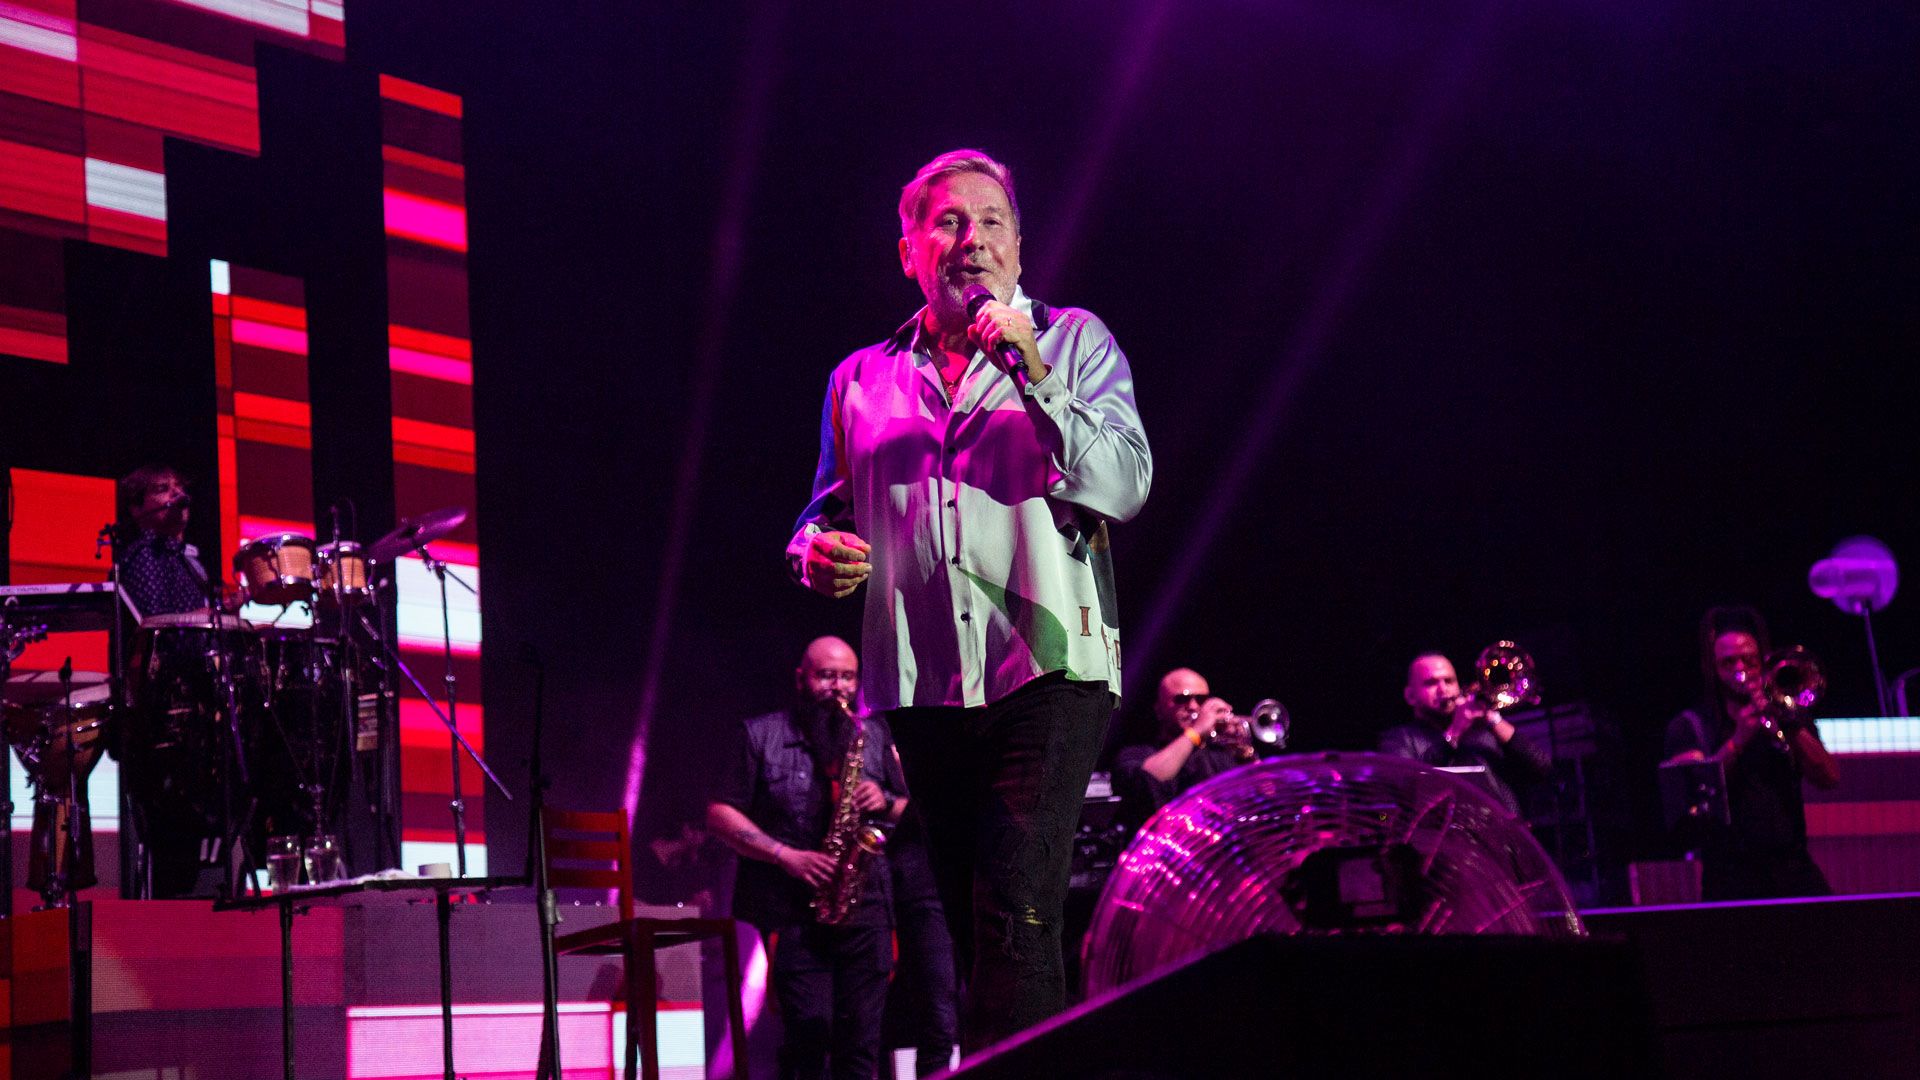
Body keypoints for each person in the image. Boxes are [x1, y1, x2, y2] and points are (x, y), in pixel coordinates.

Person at [787, 148, 1151, 1051]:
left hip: (1051, 661)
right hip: (923, 680)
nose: (972, 240)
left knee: (1017, 912)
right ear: (908, 248)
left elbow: (1125, 482)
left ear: (1020, 247)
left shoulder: (1075, 342)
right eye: (948, 221)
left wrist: (1035, 376)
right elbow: (823, 513)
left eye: (993, 222)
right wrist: (813, 551)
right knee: (969, 916)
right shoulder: (858, 379)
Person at [708, 636, 909, 1080]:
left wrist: (885, 798)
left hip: (866, 906)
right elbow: (720, 814)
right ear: (801, 679)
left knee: (861, 1043)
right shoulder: (760, 735)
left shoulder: (871, 735)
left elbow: (910, 809)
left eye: (847, 677)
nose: (837, 687)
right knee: (809, 1035)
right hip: (793, 911)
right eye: (826, 675)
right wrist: (786, 856)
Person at [1662, 606, 1841, 900]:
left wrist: (1789, 724)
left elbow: (1829, 778)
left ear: (1764, 662)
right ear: (1713, 668)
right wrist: (1739, 739)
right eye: (1728, 663)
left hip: (1793, 870)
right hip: (1730, 878)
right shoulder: (1691, 725)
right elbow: (1694, 795)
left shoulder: (1790, 715)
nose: (1740, 671)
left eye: (1750, 661)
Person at [1378, 652, 1550, 816]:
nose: (1443, 689)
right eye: (1431, 683)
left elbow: (1543, 769)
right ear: (1410, 696)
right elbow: (1407, 790)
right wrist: (1455, 731)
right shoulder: (1398, 739)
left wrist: (1492, 717)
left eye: (1449, 681)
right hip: (1441, 843)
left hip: (1503, 840)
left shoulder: (1485, 732)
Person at [1112, 669, 1247, 833]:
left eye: (1201, 699)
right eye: (1182, 699)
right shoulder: (1135, 755)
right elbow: (1148, 782)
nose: (1193, 706)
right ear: (1159, 709)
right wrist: (1196, 732)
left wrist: (1245, 752)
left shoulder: (1221, 756)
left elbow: (1264, 797)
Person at [115, 464, 216, 618]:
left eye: (179, 487)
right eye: (163, 489)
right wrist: (202, 618)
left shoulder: (180, 555)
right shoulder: (145, 553)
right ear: (136, 508)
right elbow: (156, 624)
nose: (178, 493)